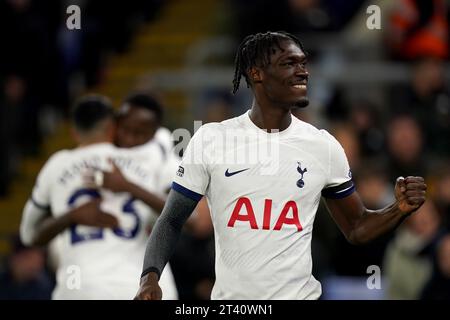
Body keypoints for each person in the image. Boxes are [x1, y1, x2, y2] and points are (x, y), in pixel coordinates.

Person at [135, 31, 427, 300]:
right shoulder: (212, 139)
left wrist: (397, 209)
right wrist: (150, 276)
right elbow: (172, 219)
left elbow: (356, 227)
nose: (303, 71)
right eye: (289, 63)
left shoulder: (323, 146)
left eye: (303, 63)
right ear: (257, 74)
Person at [19, 95, 177, 299]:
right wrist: (130, 186)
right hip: (139, 287)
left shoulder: (56, 165)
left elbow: (28, 235)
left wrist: (71, 216)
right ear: (113, 127)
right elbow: (189, 218)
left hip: (79, 289)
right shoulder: (147, 155)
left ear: (74, 133)